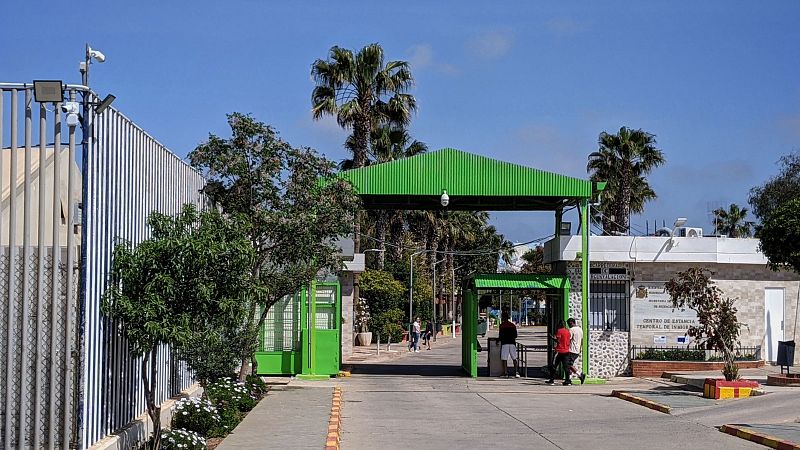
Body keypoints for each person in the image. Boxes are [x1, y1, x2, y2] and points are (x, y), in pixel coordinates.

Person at [547, 320, 572, 385]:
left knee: (554, 365)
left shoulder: (559, 331)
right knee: (566, 367)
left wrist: (552, 338)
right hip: (566, 351)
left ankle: (552, 379)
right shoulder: (567, 331)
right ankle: (567, 380)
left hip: (559, 351)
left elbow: (558, 341)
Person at [498, 312, 520, 378]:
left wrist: (498, 340)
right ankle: (516, 372)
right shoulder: (513, 325)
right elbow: (516, 335)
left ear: (503, 318)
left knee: (504, 359)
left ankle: (505, 373)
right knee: (514, 358)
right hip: (512, 343)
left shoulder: (502, 325)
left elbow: (500, 335)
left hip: (505, 343)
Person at [568, 318, 586, 384]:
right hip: (577, 349)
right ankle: (569, 379)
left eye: (569, 324)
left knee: (569, 364)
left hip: (572, 349)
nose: (569, 325)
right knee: (570, 364)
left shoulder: (571, 330)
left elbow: (569, 339)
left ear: (571, 323)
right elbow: (581, 340)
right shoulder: (580, 329)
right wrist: (580, 348)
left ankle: (580, 375)